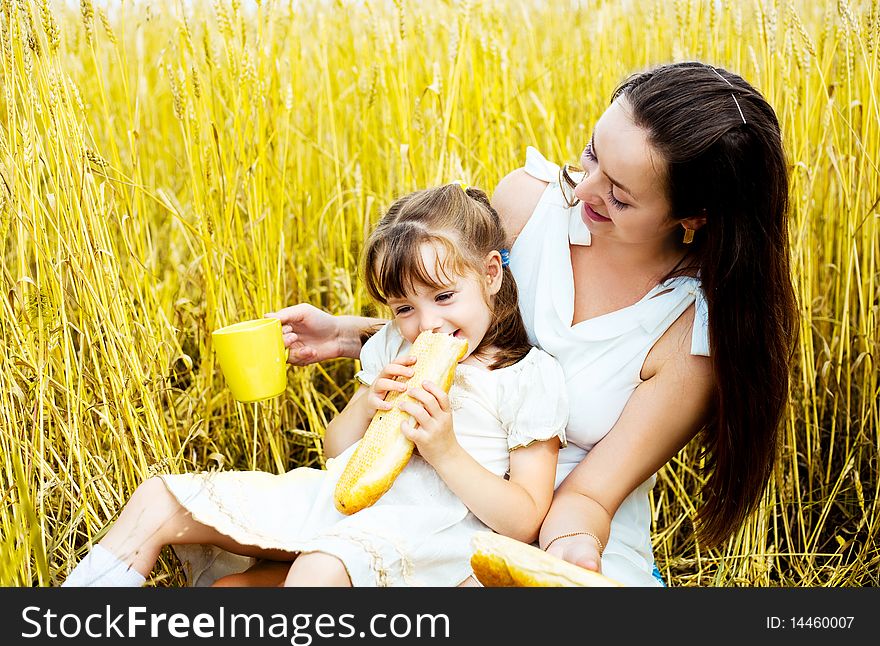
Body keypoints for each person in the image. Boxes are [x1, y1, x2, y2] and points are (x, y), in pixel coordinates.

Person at [265, 61, 798, 586]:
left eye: (619, 195)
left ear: (692, 217)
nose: (585, 190)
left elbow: (588, 496)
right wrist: (347, 334)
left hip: (558, 527)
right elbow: (473, 339)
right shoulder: (525, 203)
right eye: (591, 154)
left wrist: (571, 554)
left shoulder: (689, 334)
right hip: (434, 500)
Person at [60, 183, 567, 588]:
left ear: (492, 274)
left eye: (444, 296)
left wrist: (445, 449)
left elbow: (524, 519)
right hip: (339, 503)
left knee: (316, 571)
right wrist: (369, 405)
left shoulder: (525, 376)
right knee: (157, 501)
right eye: (405, 307)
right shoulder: (396, 345)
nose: (426, 323)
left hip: (431, 536)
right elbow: (338, 451)